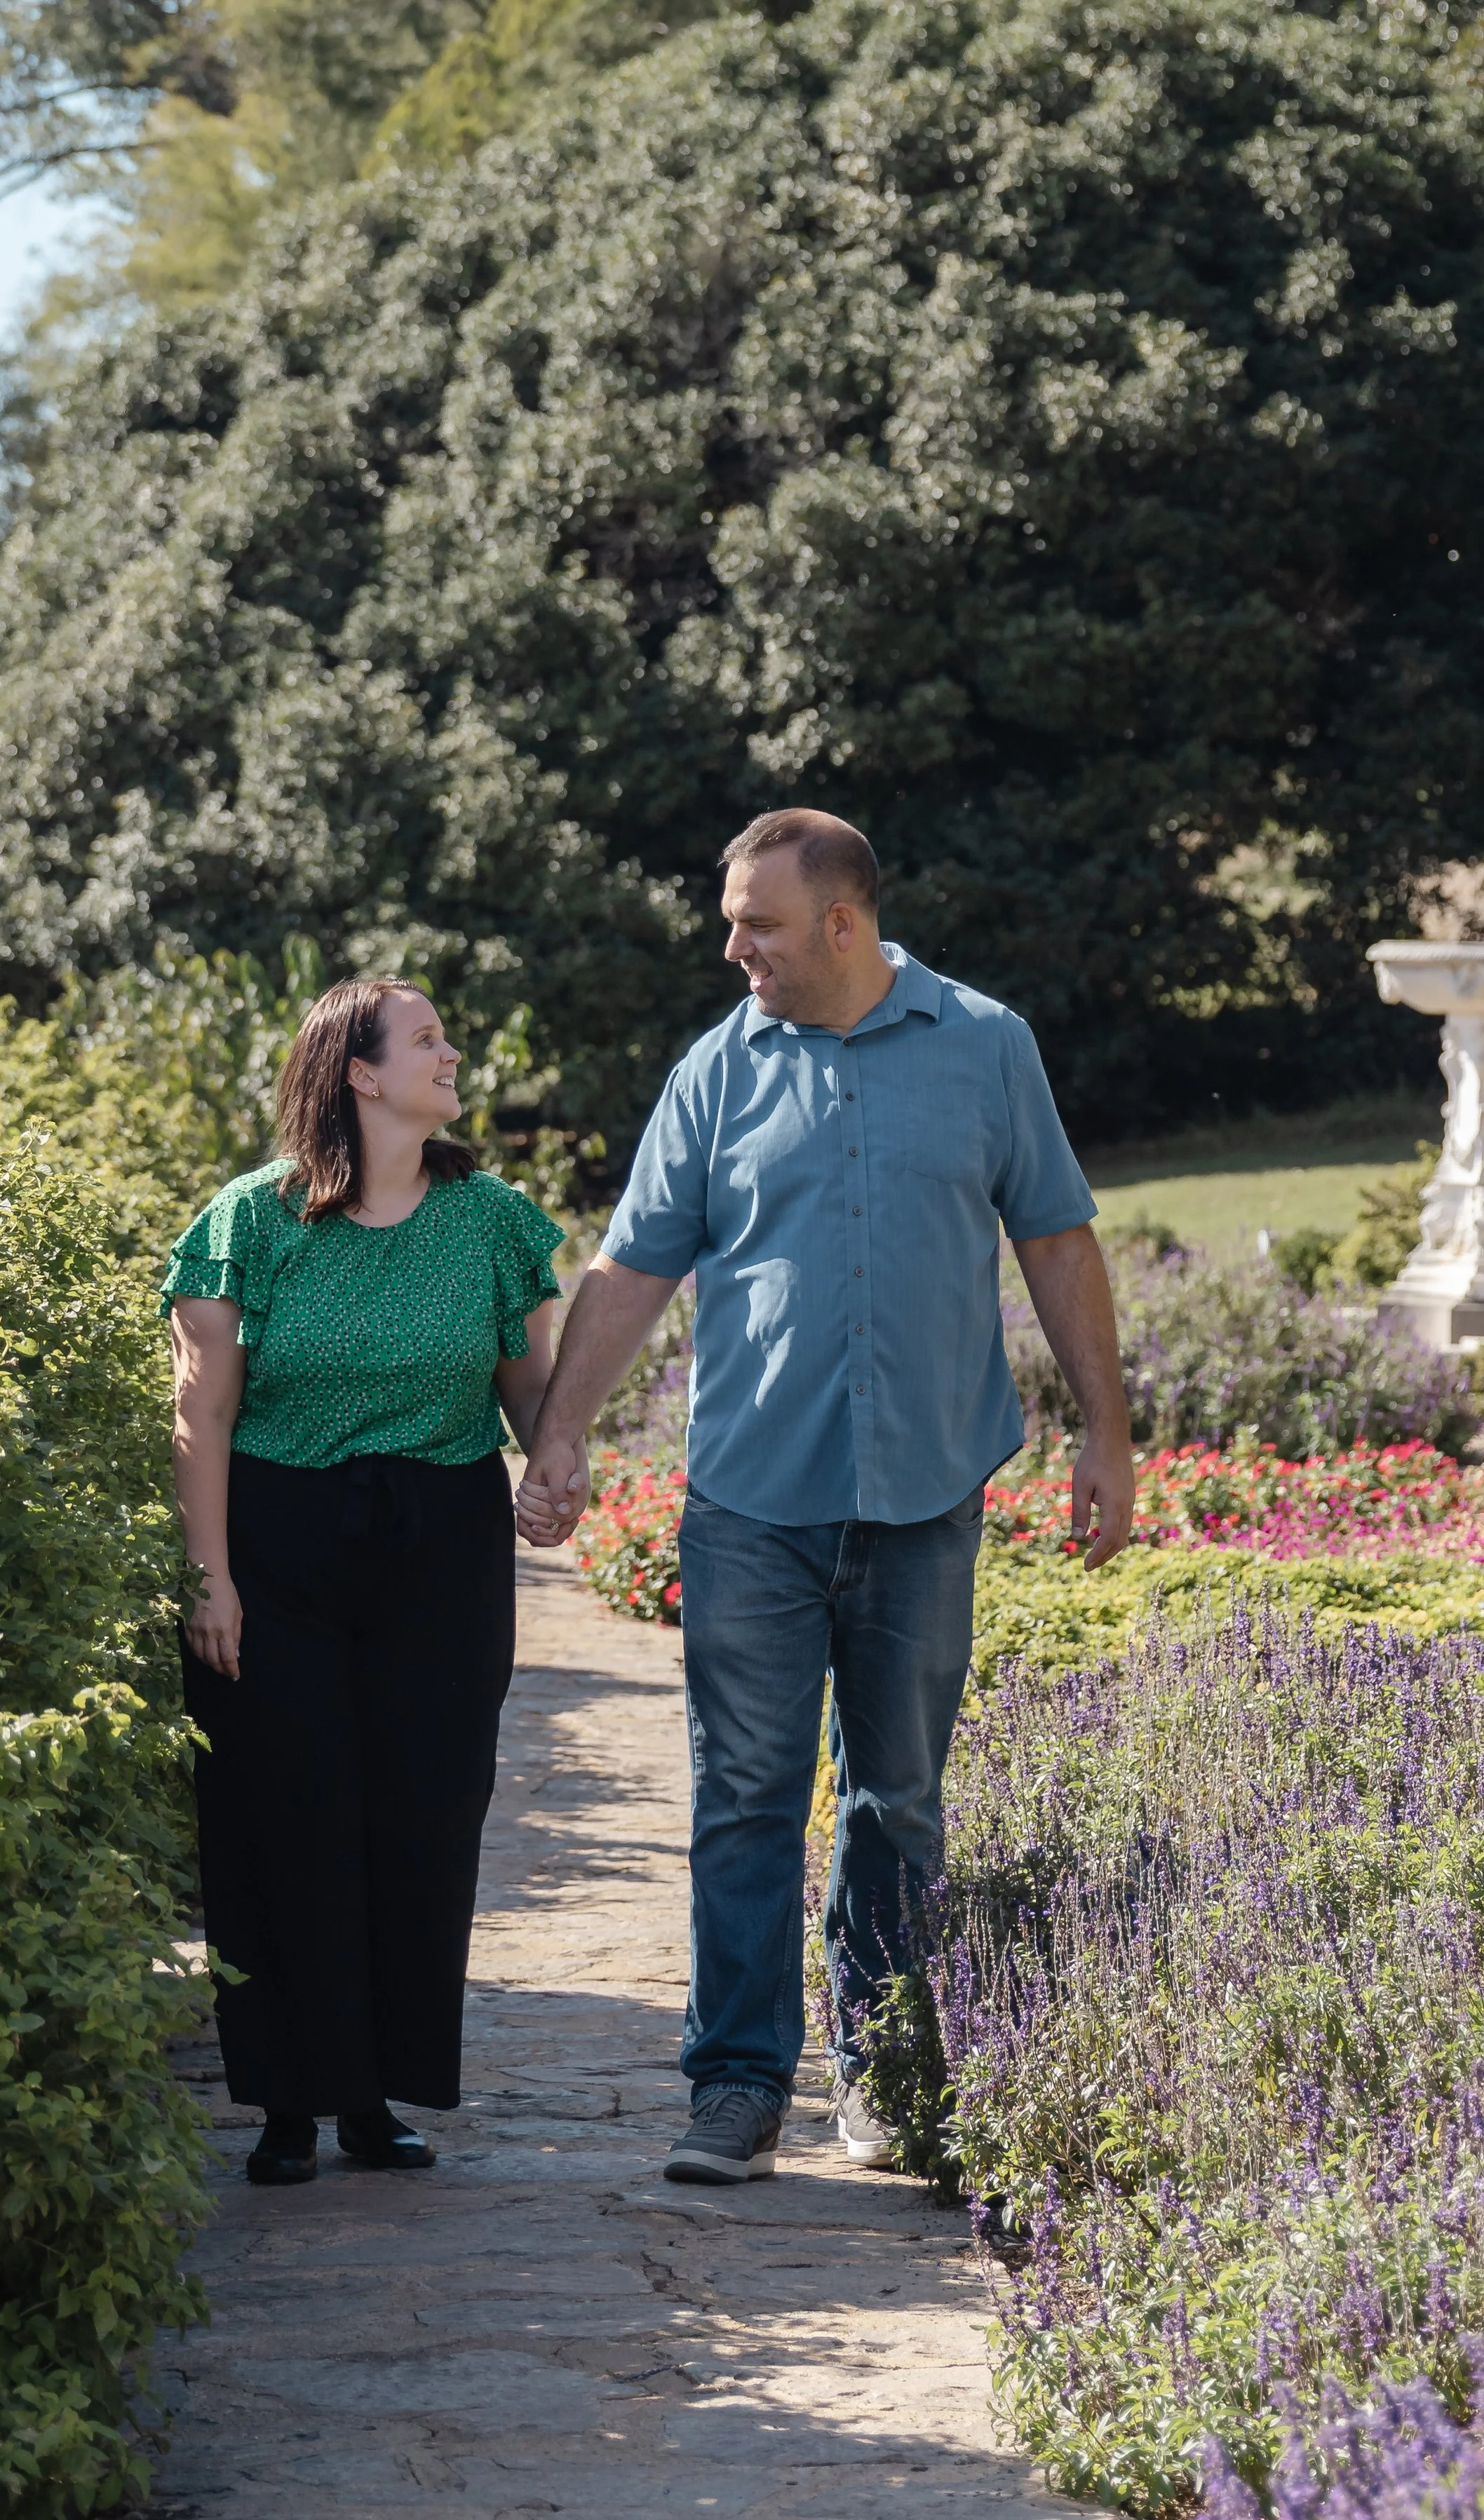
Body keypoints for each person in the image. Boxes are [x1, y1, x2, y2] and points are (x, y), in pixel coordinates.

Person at [516, 808, 1133, 2185]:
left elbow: (1054, 1234)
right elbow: (628, 1273)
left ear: (840, 925)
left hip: (922, 1498)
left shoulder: (983, 1046)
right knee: (742, 1798)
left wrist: (1106, 1434)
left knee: (894, 1802)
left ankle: (886, 2075)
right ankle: (734, 2087)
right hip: (750, 1503)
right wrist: (555, 1435)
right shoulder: (714, 1073)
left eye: (757, 924)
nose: (733, 946)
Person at [163, 977, 564, 2186]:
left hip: (442, 1544)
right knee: (284, 1814)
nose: (454, 1053)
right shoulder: (249, 1223)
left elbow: (528, 1389)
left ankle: (376, 2096)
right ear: (361, 1074)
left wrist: (560, 1460)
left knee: (423, 1816)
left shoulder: (492, 1219)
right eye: (429, 1038)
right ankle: (290, 2097)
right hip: (277, 1547)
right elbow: (201, 1415)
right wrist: (208, 1578)